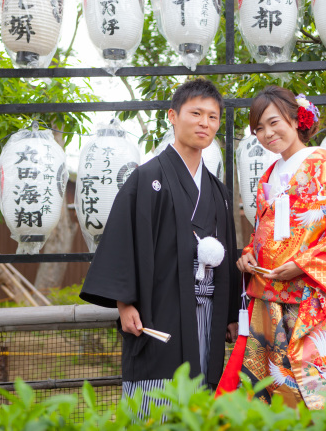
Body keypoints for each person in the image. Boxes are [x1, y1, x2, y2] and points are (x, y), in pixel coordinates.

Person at [80, 78, 239, 413]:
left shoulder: (219, 192)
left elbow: (227, 256)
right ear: (172, 115)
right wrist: (125, 303)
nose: (204, 123)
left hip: (207, 311)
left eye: (212, 117)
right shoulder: (146, 179)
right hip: (159, 309)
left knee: (203, 391)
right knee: (156, 397)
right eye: (195, 113)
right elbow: (124, 241)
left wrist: (228, 315)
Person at [218, 86, 326, 410]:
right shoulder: (269, 177)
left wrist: (303, 264)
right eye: (258, 128)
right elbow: (268, 233)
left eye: (273, 122)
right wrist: (250, 254)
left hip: (310, 299)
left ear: (295, 118)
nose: (266, 133)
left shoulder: (321, 167)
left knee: (322, 386)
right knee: (278, 389)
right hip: (269, 301)